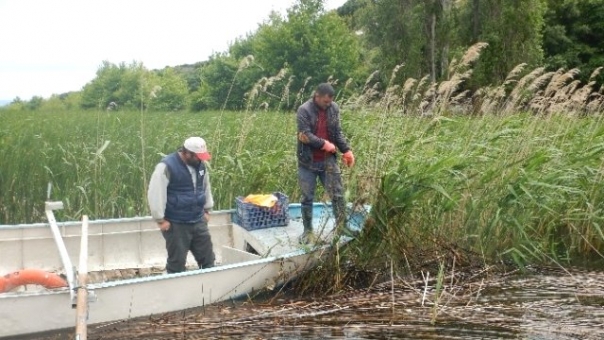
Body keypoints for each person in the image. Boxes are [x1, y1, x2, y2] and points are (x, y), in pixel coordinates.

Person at [296, 83, 355, 244]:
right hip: (307, 161)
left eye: (330, 102)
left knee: (338, 194)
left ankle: (342, 226)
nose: (328, 105)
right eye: (325, 102)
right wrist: (324, 144)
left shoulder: (333, 108)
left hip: (328, 160)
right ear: (317, 96)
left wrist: (346, 150)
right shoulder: (304, 110)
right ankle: (308, 232)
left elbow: (336, 132)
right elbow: (305, 134)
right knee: (307, 197)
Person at [147, 136, 216, 273]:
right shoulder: (166, 166)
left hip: (198, 219)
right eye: (198, 156)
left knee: (208, 259)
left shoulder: (200, 165)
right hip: (176, 223)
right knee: (177, 263)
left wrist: (207, 209)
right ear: (187, 153)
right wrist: (160, 220)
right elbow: (156, 193)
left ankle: (209, 289)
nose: (201, 159)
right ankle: (173, 290)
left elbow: (205, 187)